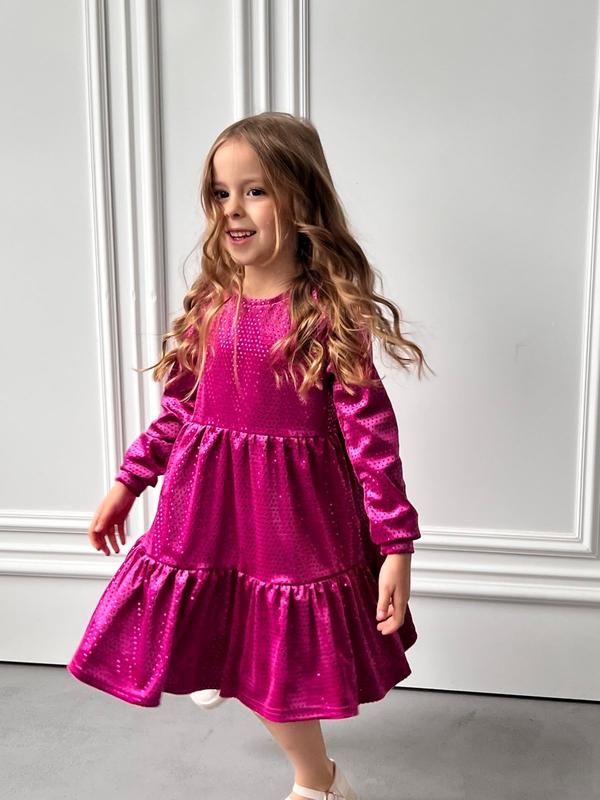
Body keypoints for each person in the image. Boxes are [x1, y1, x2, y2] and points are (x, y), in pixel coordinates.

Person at [66, 111, 433, 800]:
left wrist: (396, 546)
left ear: (301, 198)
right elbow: (180, 409)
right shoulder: (211, 302)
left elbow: (372, 439)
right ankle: (227, 664)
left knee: (274, 660)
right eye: (220, 192)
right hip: (205, 515)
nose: (232, 209)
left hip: (289, 523)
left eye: (255, 190)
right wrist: (129, 481)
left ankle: (319, 783)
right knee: (213, 626)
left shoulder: (325, 315)